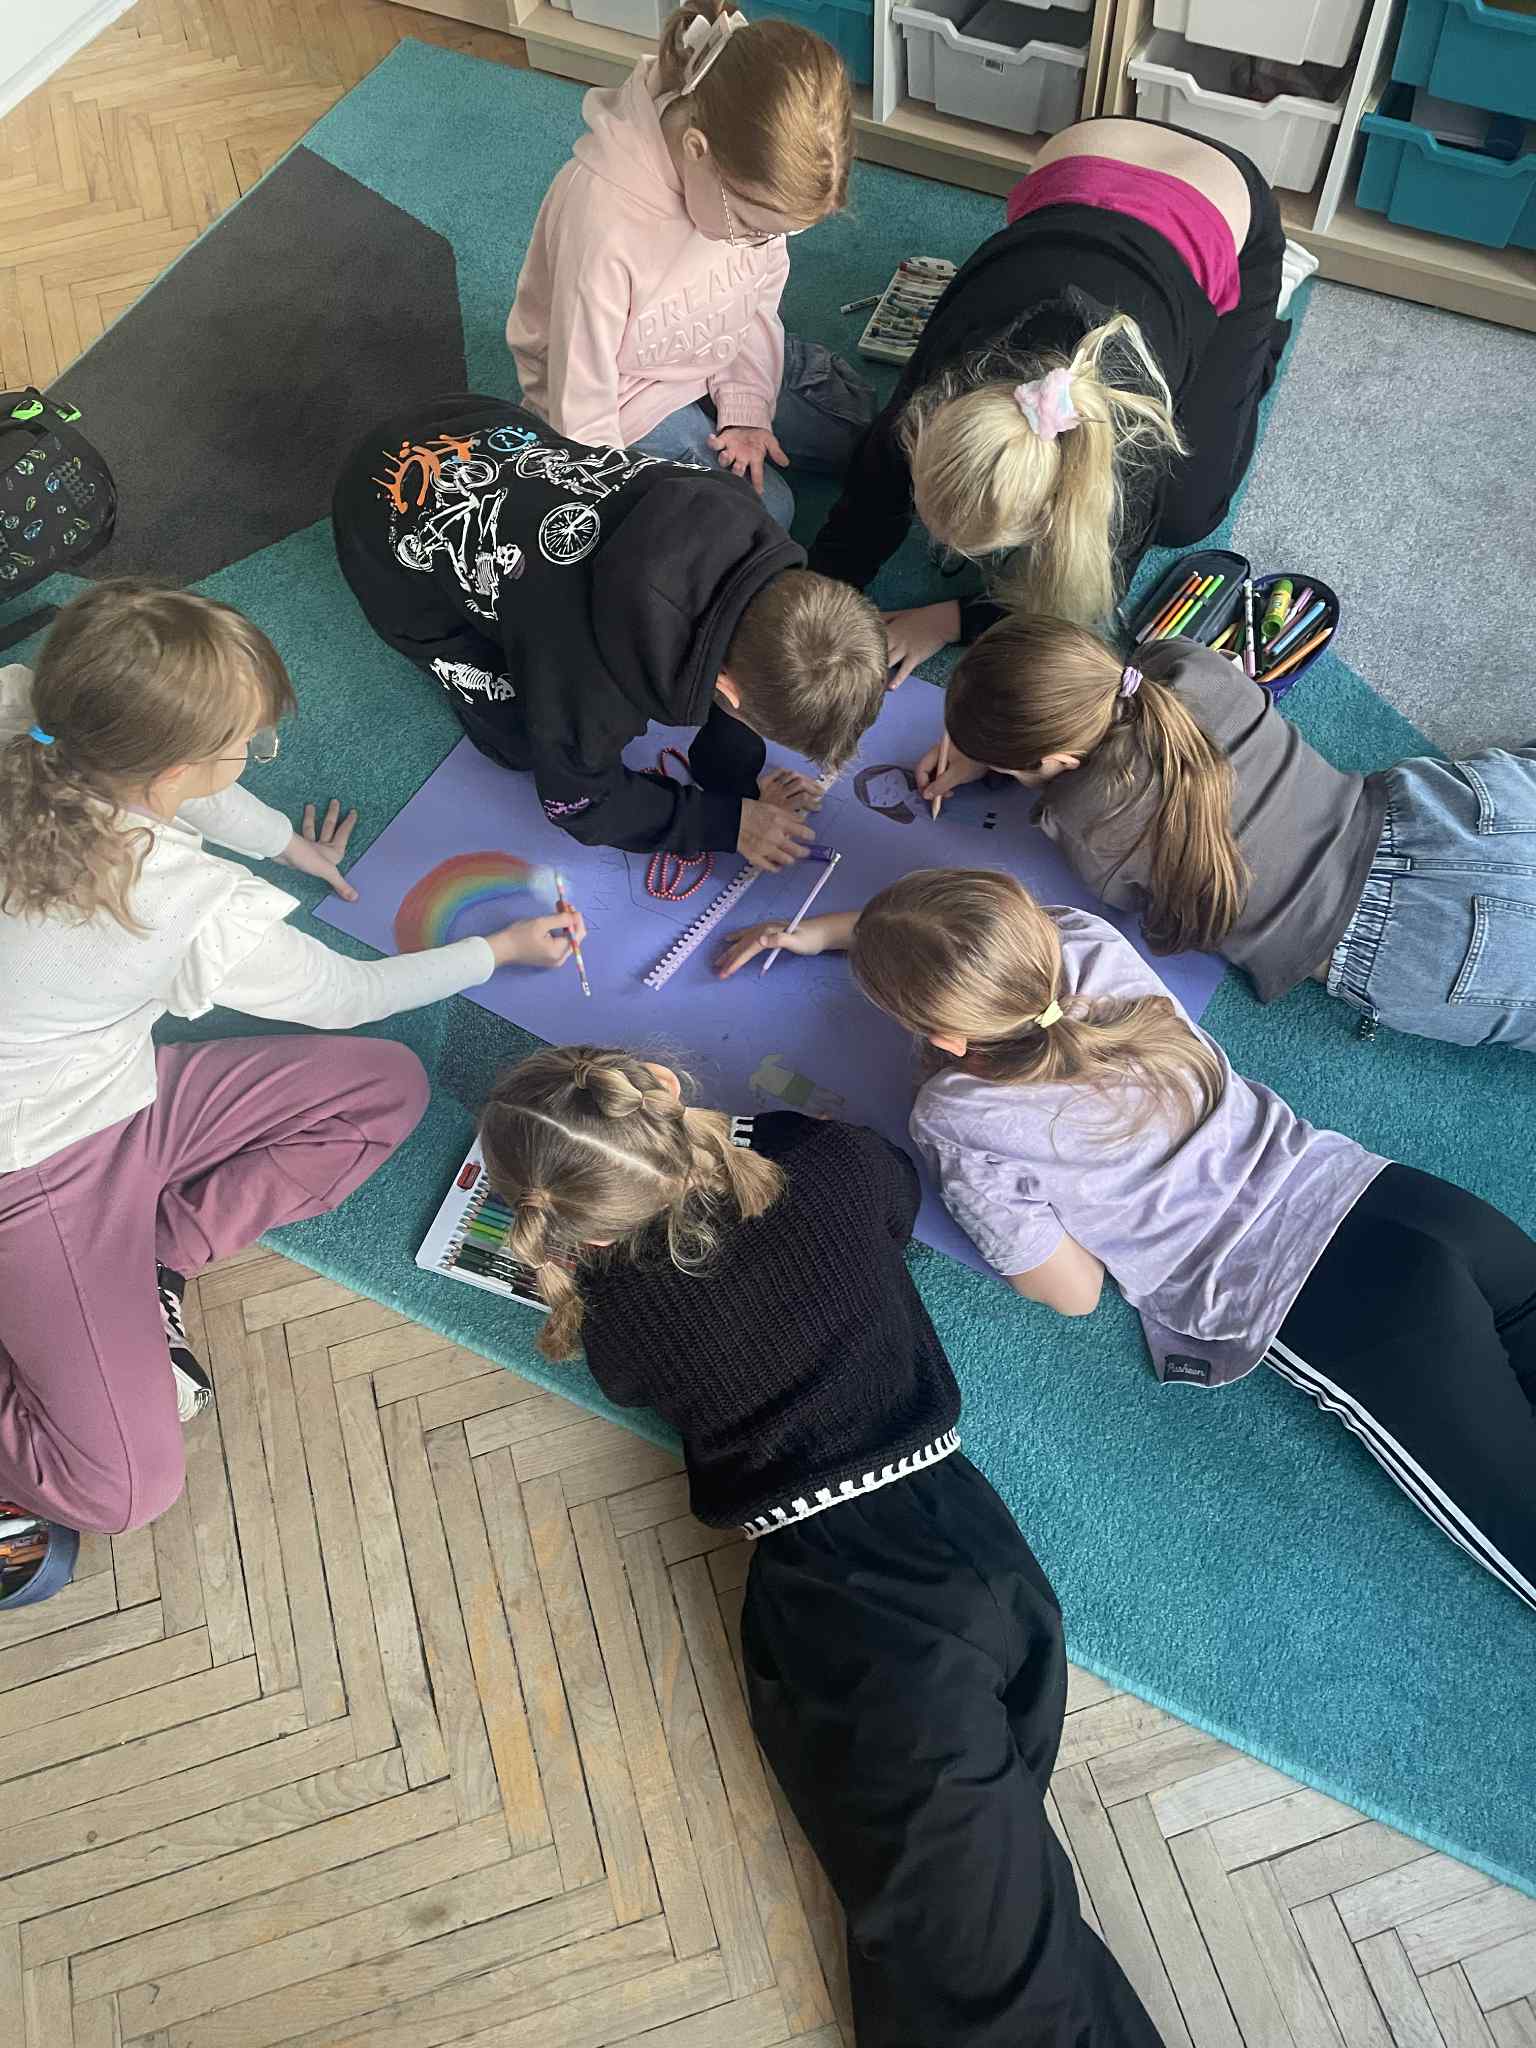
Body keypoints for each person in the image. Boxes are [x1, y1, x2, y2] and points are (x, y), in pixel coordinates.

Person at [478, 1044, 1165, 2048]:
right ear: (661, 1086)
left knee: (989, 1966)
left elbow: (642, 1359)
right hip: (970, 1533)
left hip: (845, 1606)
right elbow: (890, 1185)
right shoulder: (825, 1165)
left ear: (576, 1230)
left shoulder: (621, 1326)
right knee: (993, 1925)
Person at [718, 869, 1536, 1611]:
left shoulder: (955, 1114)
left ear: (946, 1039)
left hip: (1328, 1300)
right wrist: (827, 931)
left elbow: (1073, 1293)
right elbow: (978, 932)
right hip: (1397, 1199)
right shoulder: (1081, 937)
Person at [0, 582, 586, 1536]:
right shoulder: (181, 905)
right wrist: (500, 950)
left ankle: (159, 1253)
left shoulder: (35, 712)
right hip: (30, 1164)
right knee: (124, 1490)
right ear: (176, 764)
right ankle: (97, 1278)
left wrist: (285, 846)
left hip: (90, 1086)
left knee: (386, 1087)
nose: (252, 755)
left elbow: (185, 785)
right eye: (247, 743)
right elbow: (349, 996)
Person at [916, 614, 1536, 1052]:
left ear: (1059, 762)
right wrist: (995, 745)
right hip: (1441, 815)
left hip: (1406, 943)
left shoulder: (1081, 827)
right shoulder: (1180, 662)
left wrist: (1005, 766)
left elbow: (1125, 885)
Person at [808, 118, 1289, 679]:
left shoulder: (1124, 460)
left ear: (1055, 507)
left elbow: (1072, 611)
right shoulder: (933, 393)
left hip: (1222, 198)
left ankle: (1257, 331)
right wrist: (818, 605)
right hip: (1086, 157)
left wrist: (948, 619)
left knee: (1187, 515)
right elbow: (865, 501)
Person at [333, 396, 887, 870]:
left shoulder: (745, 520)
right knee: (521, 745)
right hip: (382, 523)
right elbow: (579, 802)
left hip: (474, 422)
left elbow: (734, 646)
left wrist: (733, 778)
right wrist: (725, 823)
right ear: (727, 690)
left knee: (738, 659)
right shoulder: (586, 681)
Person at [506, 0, 875, 532]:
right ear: (697, 150)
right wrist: (602, 498)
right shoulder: (604, 222)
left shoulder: (749, 195)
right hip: (628, 395)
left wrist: (746, 407)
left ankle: (734, 401)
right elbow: (581, 401)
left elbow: (756, 304)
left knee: (862, 434)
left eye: (780, 232)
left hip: (704, 340)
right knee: (769, 514)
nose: (761, 242)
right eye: (751, 225)